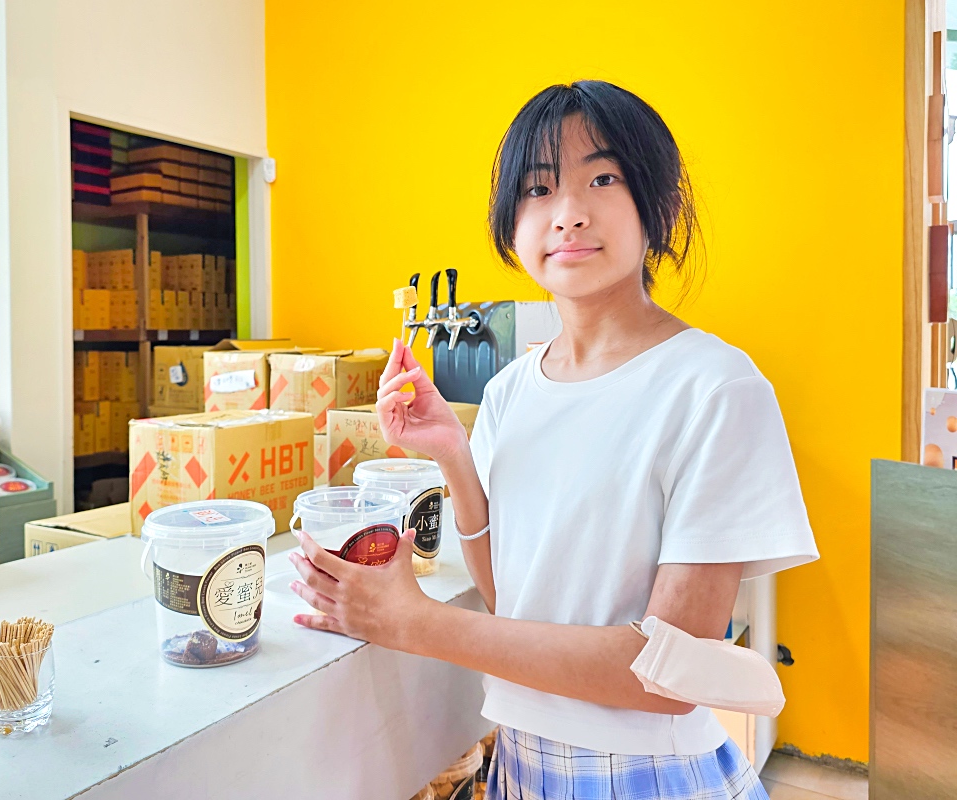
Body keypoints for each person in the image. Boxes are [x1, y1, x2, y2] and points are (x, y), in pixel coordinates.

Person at [288, 80, 819, 799]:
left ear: (656, 207)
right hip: (521, 769)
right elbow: (512, 597)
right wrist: (452, 452)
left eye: (603, 178)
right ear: (513, 223)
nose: (568, 214)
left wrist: (415, 623)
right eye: (539, 189)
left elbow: (668, 672)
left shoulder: (716, 388)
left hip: (655, 777)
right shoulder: (511, 389)